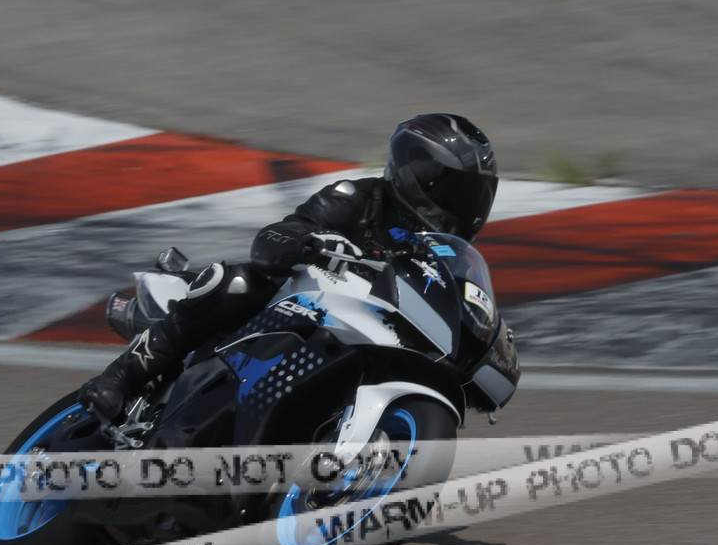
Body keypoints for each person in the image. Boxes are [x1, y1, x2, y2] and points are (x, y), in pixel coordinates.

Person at [77, 113, 499, 423]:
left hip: (368, 337)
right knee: (235, 282)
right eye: (454, 193)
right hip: (295, 308)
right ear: (418, 173)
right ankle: (121, 377)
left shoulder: (442, 256)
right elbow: (278, 236)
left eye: (472, 198)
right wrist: (306, 242)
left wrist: (490, 343)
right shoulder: (357, 197)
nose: (462, 209)